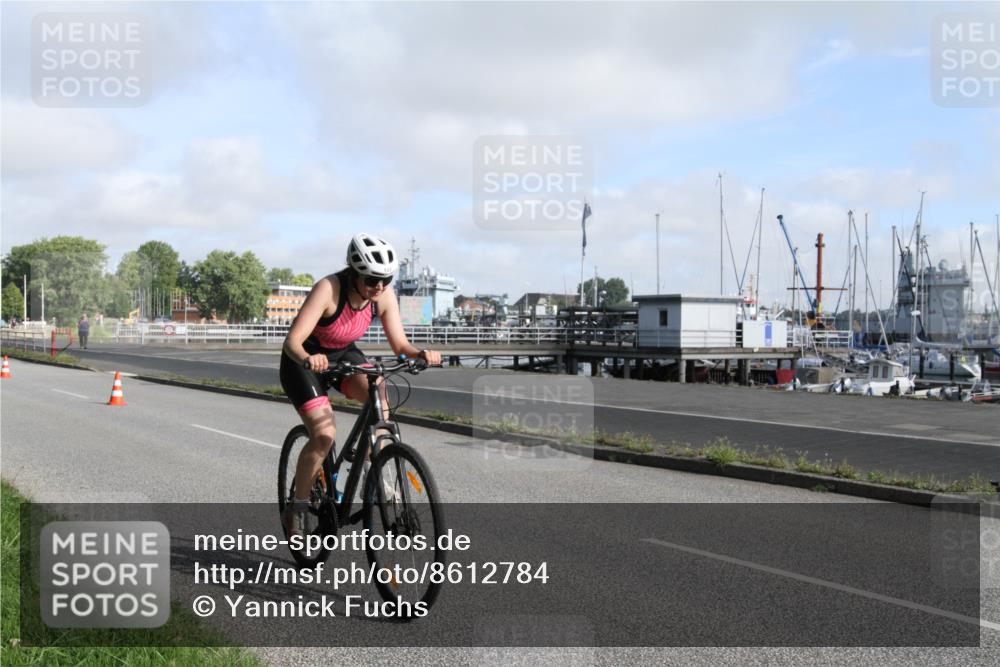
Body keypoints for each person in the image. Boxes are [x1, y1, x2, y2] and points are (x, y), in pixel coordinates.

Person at [280, 234, 442, 536]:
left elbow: (400, 345)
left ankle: (375, 464)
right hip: (304, 361)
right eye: (370, 280)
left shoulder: (383, 296)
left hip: (342, 356)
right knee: (324, 436)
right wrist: (308, 358)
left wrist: (420, 354)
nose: (378, 287)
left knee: (377, 388)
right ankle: (298, 507)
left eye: (385, 279)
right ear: (354, 272)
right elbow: (293, 341)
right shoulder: (328, 289)